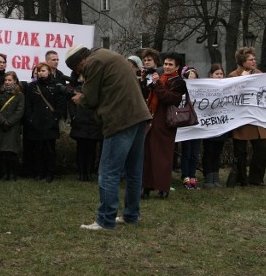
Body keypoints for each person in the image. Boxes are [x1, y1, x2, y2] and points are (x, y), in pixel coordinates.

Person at [64, 45, 151, 230]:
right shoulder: (109, 55)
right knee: (134, 171)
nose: (81, 74)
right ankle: (131, 215)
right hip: (139, 116)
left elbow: (90, 98)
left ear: (80, 63)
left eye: (78, 70)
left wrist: (79, 99)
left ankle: (105, 220)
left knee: (108, 172)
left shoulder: (93, 63)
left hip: (120, 119)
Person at [142, 52, 187, 199]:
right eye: (165, 64)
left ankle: (163, 187)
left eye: (170, 64)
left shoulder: (178, 82)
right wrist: (145, 81)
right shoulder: (160, 78)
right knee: (148, 155)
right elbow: (148, 95)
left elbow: (169, 98)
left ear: (177, 67)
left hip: (166, 123)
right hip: (152, 121)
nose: (167, 67)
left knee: (163, 156)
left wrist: (157, 85)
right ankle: (146, 186)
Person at [228, 47, 266, 186]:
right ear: (243, 62)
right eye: (251, 59)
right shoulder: (233, 76)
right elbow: (231, 96)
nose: (254, 61)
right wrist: (242, 80)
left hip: (257, 119)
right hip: (241, 120)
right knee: (240, 152)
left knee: (262, 150)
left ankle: (256, 178)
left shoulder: (258, 73)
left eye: (254, 59)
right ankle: (242, 179)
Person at [24, 61, 66, 182]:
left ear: (48, 71)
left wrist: (55, 118)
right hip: (36, 122)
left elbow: (60, 104)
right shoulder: (33, 86)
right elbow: (29, 104)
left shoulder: (56, 85)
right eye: (39, 71)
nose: (41, 73)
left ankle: (50, 173)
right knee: (38, 150)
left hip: (50, 123)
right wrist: (30, 118)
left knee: (49, 150)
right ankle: (39, 172)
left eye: (43, 71)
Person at [0, 71, 25, 181]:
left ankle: (12, 173)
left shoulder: (20, 95)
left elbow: (20, 111)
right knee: (1, 151)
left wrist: (10, 122)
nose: (7, 82)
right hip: (0, 126)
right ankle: (4, 173)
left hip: (13, 127)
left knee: (12, 152)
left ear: (15, 81)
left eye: (10, 80)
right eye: (6, 80)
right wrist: (2, 121)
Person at [68, 71, 103, 181]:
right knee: (81, 149)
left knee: (91, 149)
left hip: (93, 122)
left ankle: (88, 172)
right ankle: (81, 172)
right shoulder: (77, 89)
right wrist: (74, 117)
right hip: (80, 122)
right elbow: (71, 104)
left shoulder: (97, 90)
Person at [201, 64, 228, 188]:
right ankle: (208, 178)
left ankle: (215, 177)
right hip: (208, 126)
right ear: (211, 75)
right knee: (209, 151)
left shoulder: (227, 88)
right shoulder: (205, 87)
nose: (219, 76)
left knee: (217, 152)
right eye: (217, 73)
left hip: (221, 126)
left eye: (221, 74)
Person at [180, 66, 201, 189]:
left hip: (197, 127)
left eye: (194, 77)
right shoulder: (182, 90)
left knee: (194, 153)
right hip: (187, 127)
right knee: (186, 152)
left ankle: (193, 175)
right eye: (190, 77)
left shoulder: (201, 90)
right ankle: (185, 176)